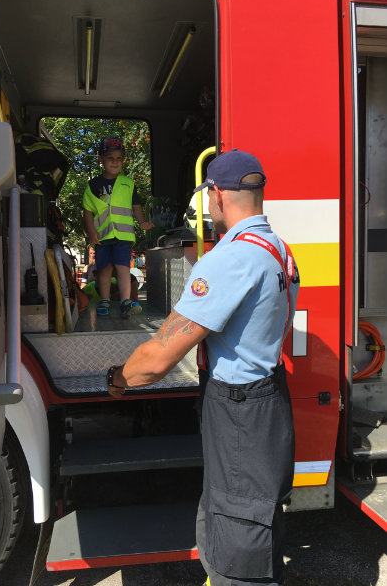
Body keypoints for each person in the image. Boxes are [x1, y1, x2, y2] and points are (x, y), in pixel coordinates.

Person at [105, 149, 300, 586]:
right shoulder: (278, 249)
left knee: (238, 546)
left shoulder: (231, 259)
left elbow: (157, 358)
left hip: (239, 414)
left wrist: (118, 379)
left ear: (217, 195)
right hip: (267, 402)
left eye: (206, 197)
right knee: (251, 520)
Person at [82, 136, 153, 318]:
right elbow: (87, 210)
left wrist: (142, 222)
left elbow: (136, 206)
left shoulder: (128, 184)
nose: (115, 162)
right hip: (102, 236)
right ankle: (104, 300)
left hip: (123, 236)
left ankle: (125, 301)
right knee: (104, 269)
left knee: (123, 268)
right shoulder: (93, 185)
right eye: (110, 158)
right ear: (101, 159)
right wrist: (91, 232)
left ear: (123, 161)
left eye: (119, 158)